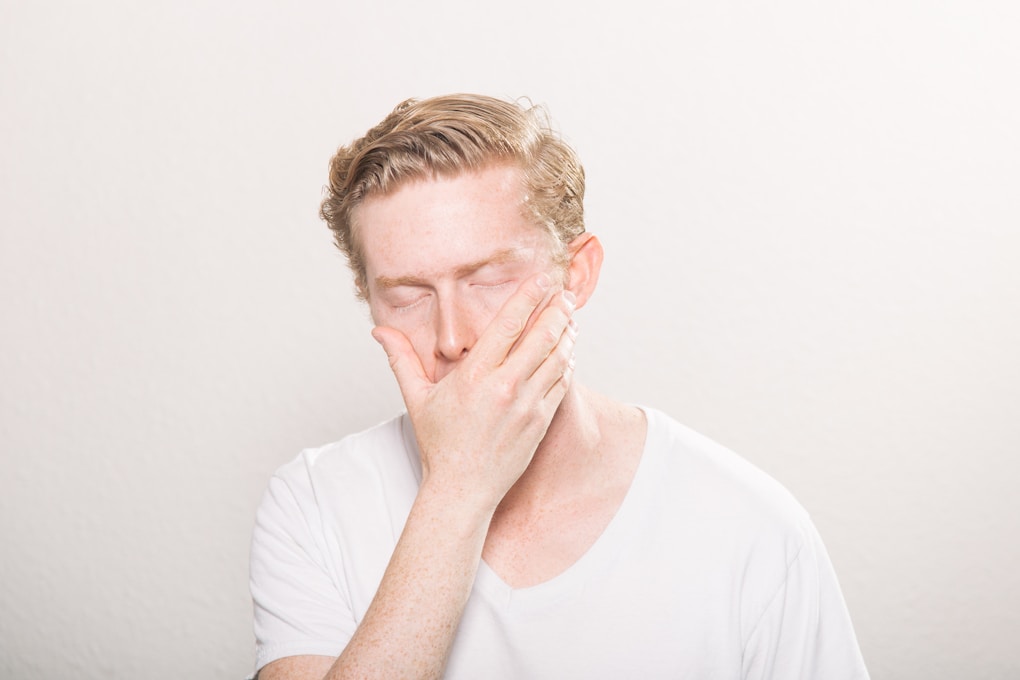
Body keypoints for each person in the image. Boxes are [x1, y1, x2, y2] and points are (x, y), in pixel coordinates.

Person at [249, 93, 870, 680]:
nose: (451, 338)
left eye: (488, 278)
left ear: (576, 274)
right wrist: (458, 487)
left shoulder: (753, 528)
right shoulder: (312, 504)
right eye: (407, 294)